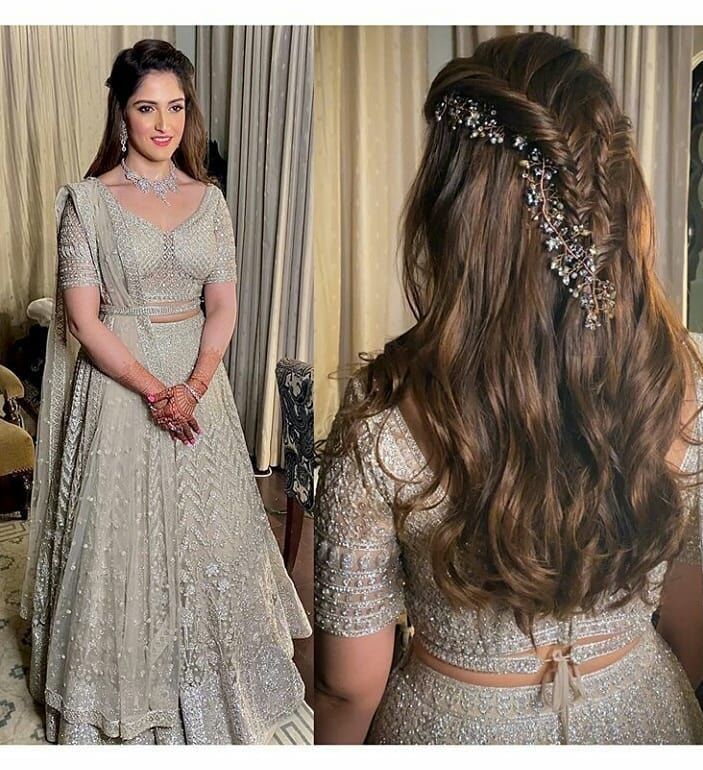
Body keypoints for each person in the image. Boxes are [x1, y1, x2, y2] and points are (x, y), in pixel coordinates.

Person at [314, 31, 703, 744]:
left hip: (455, 727)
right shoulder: (677, 382)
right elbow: (688, 619)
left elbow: (348, 684)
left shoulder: (383, 416)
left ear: (450, 207)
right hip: (642, 713)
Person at [19, 38, 311, 745]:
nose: (163, 124)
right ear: (121, 112)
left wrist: (197, 384)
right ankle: (117, 690)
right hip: (121, 387)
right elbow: (84, 320)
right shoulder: (86, 203)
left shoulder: (209, 200)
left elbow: (225, 306)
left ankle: (210, 685)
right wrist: (157, 393)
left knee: (210, 539)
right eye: (147, 107)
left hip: (195, 381)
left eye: (175, 107)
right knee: (118, 542)